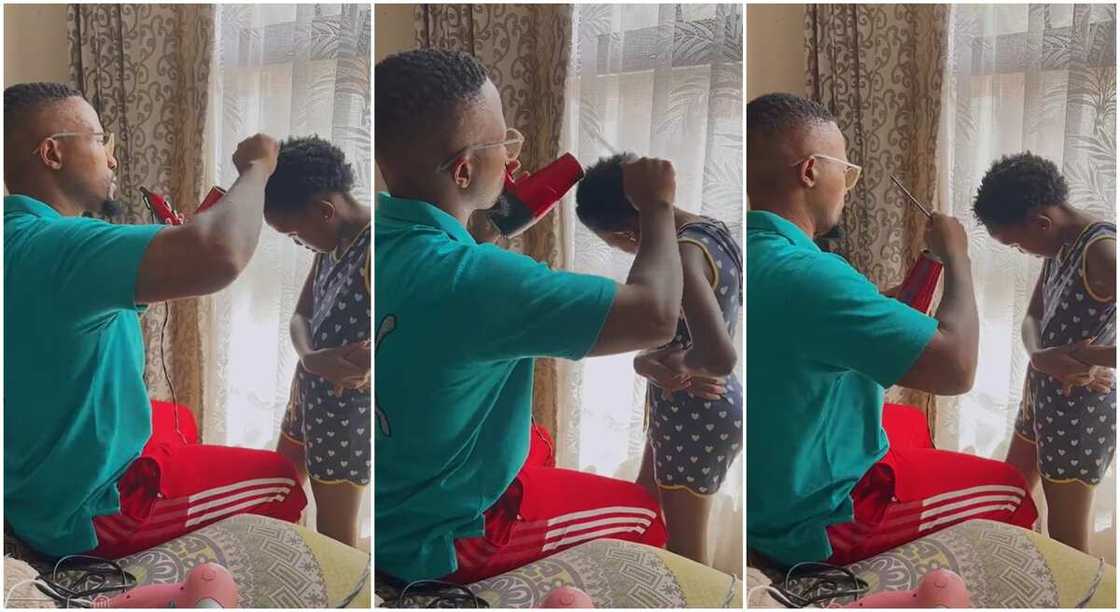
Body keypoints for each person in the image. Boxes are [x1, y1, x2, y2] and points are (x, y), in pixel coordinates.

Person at [374, 49, 683, 583]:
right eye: (504, 144)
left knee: (537, 443)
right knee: (648, 513)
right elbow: (654, 316)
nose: (514, 161)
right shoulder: (479, 277)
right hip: (438, 536)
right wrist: (657, 206)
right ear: (465, 168)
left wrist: (484, 227)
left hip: (381, 498)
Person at [3, 82, 306, 559]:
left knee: (179, 417)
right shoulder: (63, 245)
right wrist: (257, 167)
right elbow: (219, 253)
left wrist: (170, 251)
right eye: (101, 141)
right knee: (283, 481)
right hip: (85, 512)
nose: (113, 159)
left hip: (31, 476)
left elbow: (80, 297)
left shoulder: (18, 236)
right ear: (53, 153)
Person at [745, 92, 1037, 567]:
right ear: (811, 170)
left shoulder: (742, 256)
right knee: (1011, 490)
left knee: (909, 425)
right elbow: (955, 368)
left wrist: (931, 262)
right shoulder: (812, 275)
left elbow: (872, 322)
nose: (848, 185)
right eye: (847, 170)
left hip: (768, 484)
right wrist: (959, 257)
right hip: (816, 518)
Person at [575, 152, 742, 566]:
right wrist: (649, 363)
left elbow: (718, 356)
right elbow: (685, 336)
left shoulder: (683, 256)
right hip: (688, 408)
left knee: (689, 557)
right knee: (643, 503)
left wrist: (679, 365)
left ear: (630, 232)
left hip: (696, 411)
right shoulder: (712, 231)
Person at [972, 152, 1115, 554]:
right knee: (1007, 493)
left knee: (1068, 545)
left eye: (1017, 243)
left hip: (1079, 412)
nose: (1023, 252)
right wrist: (1039, 356)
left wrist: (1090, 359)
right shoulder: (1062, 243)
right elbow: (1032, 318)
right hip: (1041, 396)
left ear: (1041, 223)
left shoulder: (1103, 254)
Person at [265, 136, 372, 548]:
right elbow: (300, 315)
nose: (299, 243)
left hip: (348, 412)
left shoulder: (376, 248)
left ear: (325, 211)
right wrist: (311, 358)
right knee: (278, 488)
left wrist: (366, 366)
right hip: (309, 392)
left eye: (294, 234)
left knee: (334, 534)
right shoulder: (332, 243)